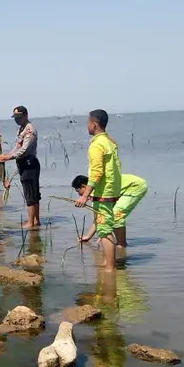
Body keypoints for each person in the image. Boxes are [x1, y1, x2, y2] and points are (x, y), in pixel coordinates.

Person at [74, 109, 122, 272]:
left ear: (94, 125)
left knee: (104, 230)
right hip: (111, 190)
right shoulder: (109, 142)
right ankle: (109, 263)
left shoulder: (97, 145)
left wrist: (85, 195)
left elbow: (96, 171)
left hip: (104, 192)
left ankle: (109, 268)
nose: (87, 126)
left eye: (88, 122)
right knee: (105, 227)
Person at [73, 173, 146, 248]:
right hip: (122, 190)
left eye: (78, 191)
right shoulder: (96, 191)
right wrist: (88, 236)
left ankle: (122, 245)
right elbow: (99, 217)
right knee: (108, 214)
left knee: (117, 215)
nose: (79, 195)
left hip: (135, 186)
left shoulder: (97, 191)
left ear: (84, 187)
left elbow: (100, 217)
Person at [0, 106, 41, 229]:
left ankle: (31, 222)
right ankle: (35, 221)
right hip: (24, 164)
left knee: (31, 194)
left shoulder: (29, 130)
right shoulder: (21, 129)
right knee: (32, 193)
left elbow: (24, 150)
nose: (17, 120)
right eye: (15, 118)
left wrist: (7, 158)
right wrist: (6, 155)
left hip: (29, 163)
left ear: (26, 115)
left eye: (19, 117)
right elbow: (17, 147)